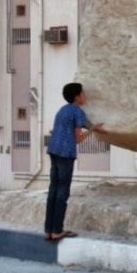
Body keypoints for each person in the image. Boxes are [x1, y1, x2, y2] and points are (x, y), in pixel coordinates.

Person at [44, 82, 105, 240]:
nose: (84, 96)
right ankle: (57, 230)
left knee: (53, 190)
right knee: (62, 192)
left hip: (54, 150)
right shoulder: (78, 112)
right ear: (77, 96)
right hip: (66, 153)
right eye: (82, 94)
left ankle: (48, 230)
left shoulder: (62, 110)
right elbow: (78, 139)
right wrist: (93, 129)